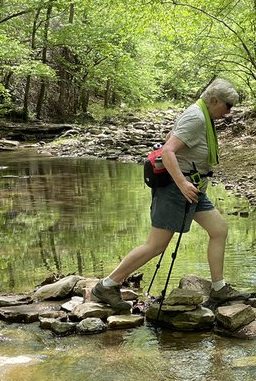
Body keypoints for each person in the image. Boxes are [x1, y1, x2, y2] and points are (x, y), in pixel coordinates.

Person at [92, 78, 242, 308]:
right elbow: (167, 150)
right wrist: (181, 183)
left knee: (219, 229)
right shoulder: (196, 117)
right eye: (227, 106)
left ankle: (219, 289)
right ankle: (107, 286)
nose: (228, 112)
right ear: (214, 100)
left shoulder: (203, 116)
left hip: (194, 188)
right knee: (156, 245)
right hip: (177, 188)